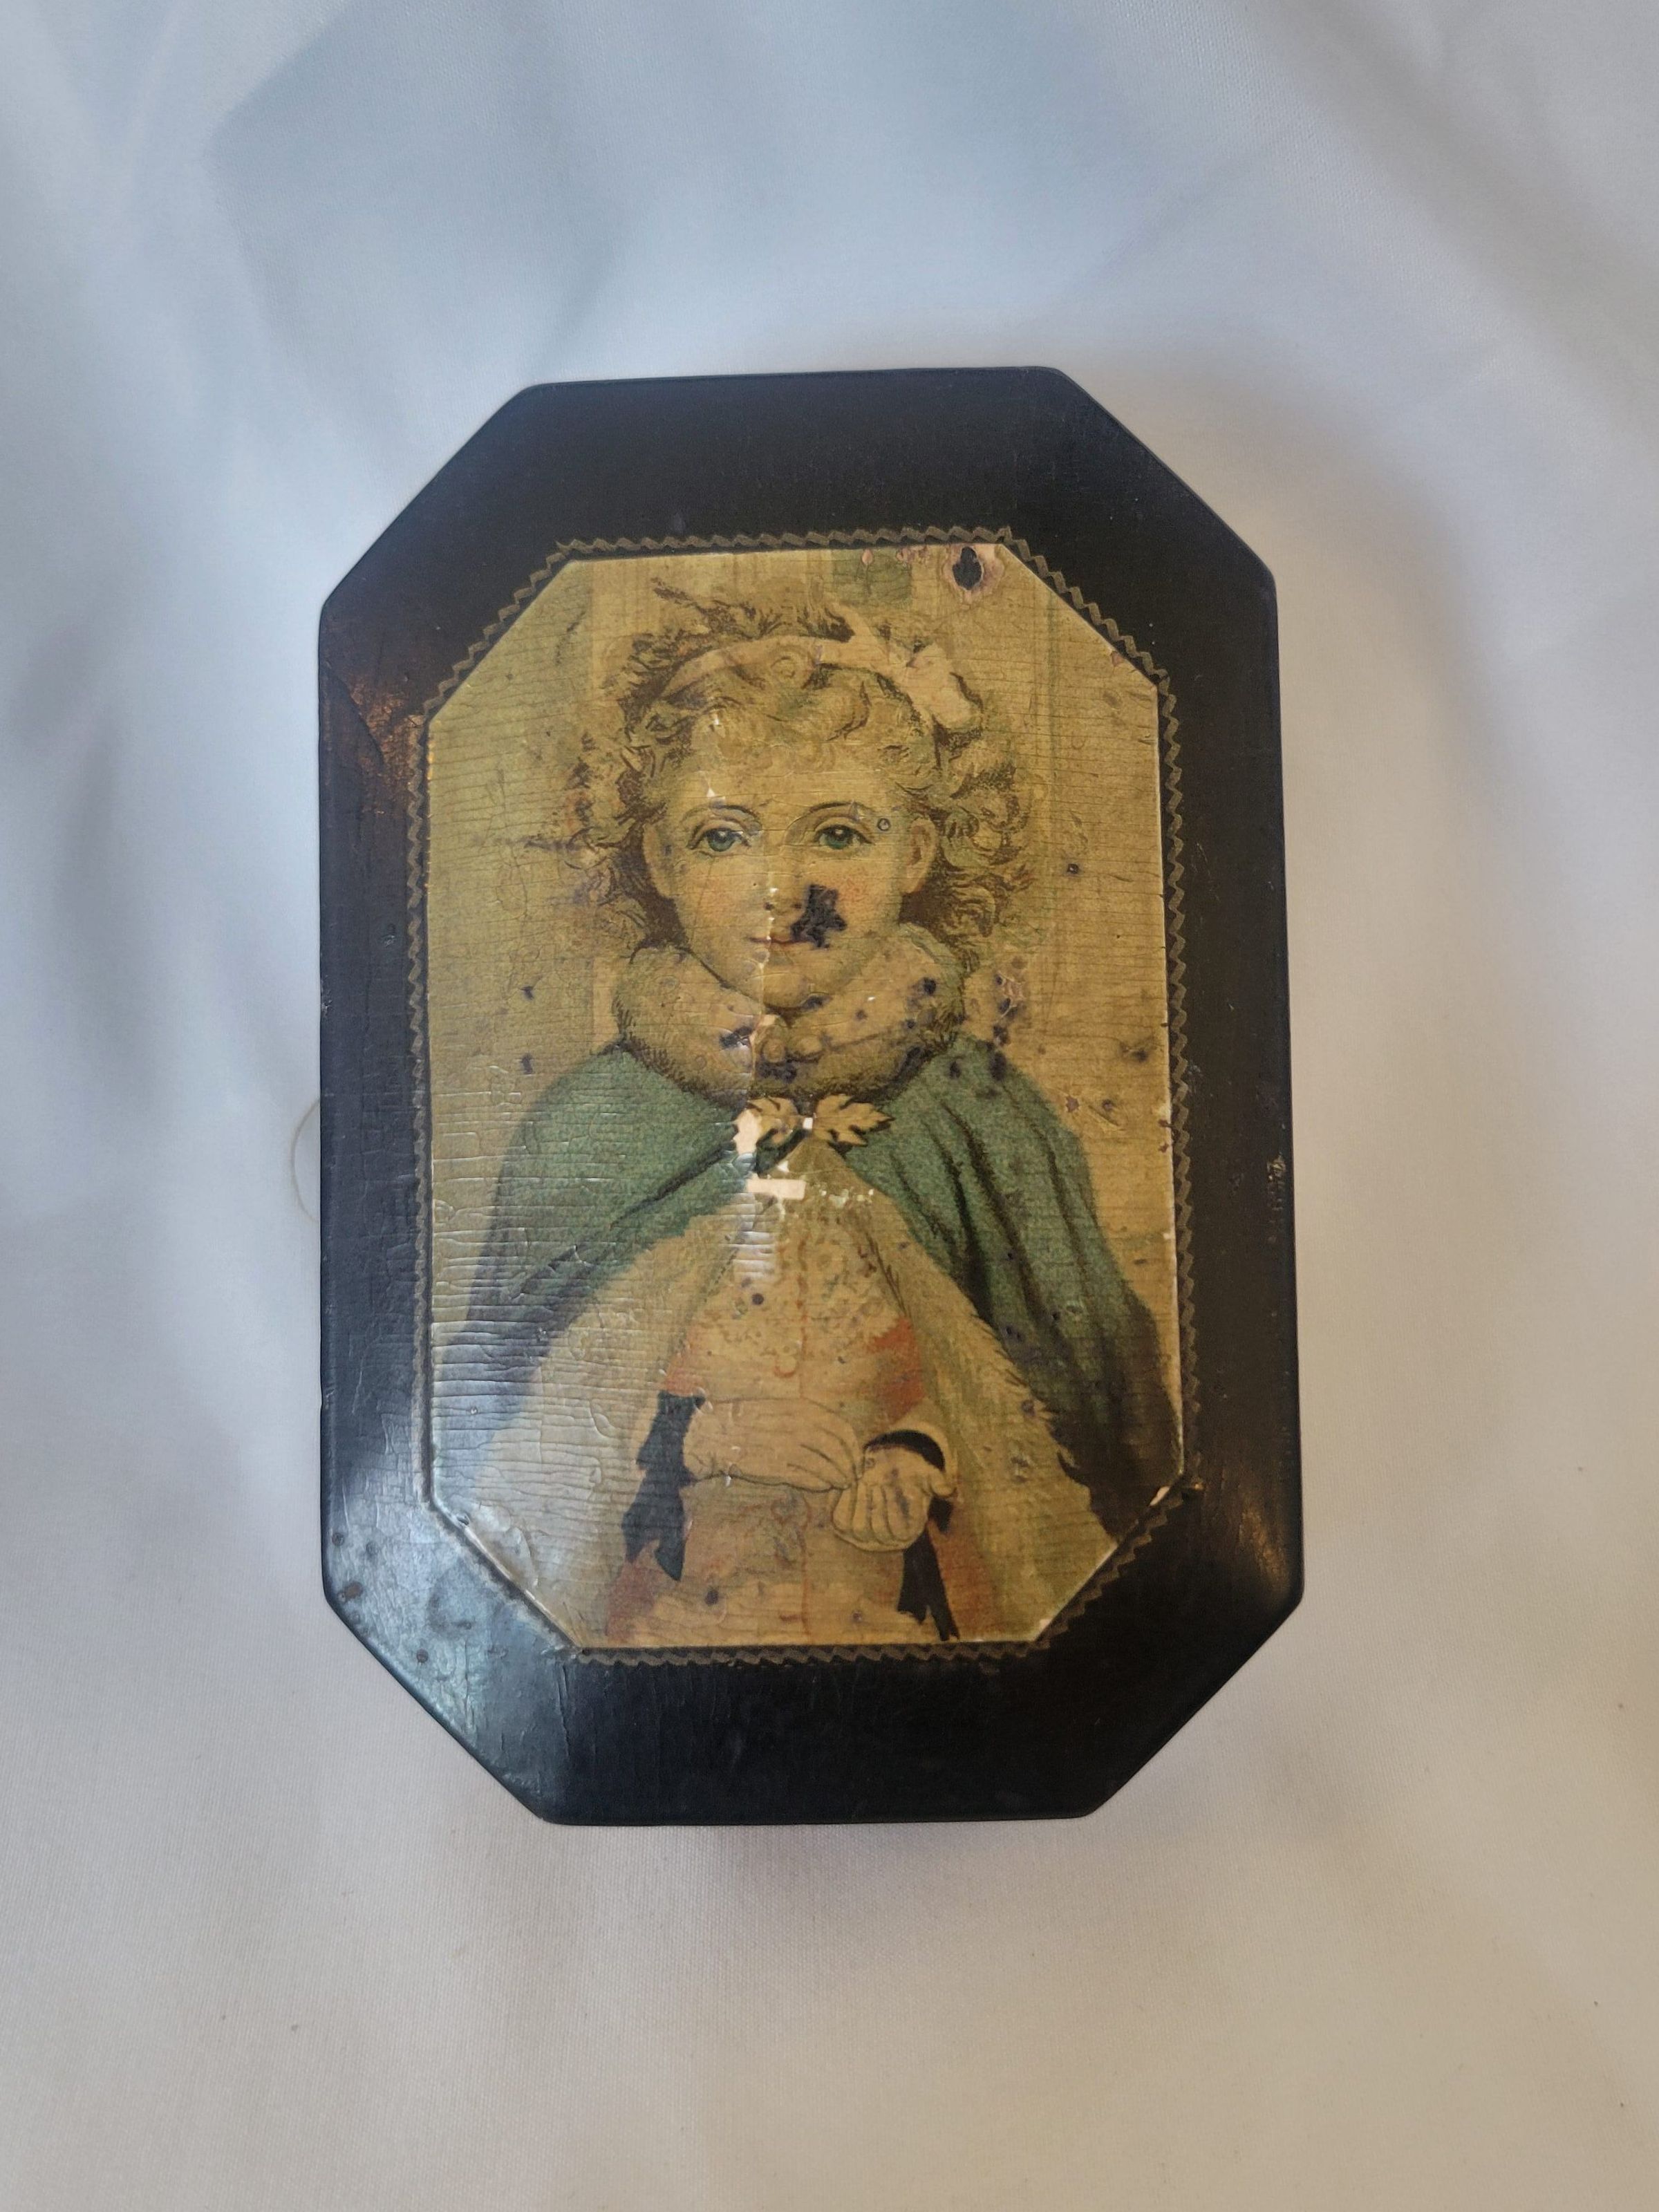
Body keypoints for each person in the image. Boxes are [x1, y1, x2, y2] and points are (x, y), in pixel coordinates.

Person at [435, 593, 1176, 1648]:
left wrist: (922, 1449)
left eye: (838, 833)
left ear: (917, 852)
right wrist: (699, 1436)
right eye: (722, 836)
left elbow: (1088, 1418)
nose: (783, 889)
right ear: (658, 861)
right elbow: (505, 1451)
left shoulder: (982, 1119)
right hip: (664, 1635)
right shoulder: (591, 1128)